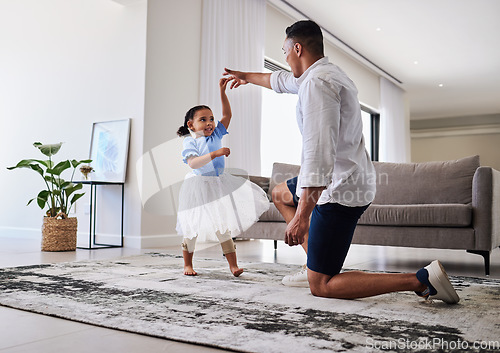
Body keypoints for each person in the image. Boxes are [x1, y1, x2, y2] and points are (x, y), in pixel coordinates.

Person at [224, 20, 459, 303]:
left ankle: (420, 280)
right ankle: (314, 262)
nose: (284, 58)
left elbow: (318, 153)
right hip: (345, 176)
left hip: (340, 189)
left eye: (285, 51)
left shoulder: (318, 84)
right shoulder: (323, 73)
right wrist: (246, 76)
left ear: (297, 48)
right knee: (279, 194)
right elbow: (281, 81)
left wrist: (301, 217)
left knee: (322, 285)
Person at [176, 78, 270, 277]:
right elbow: (193, 164)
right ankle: (187, 265)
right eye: (203, 119)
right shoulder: (189, 143)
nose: (209, 122)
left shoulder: (216, 134)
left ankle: (233, 266)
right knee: (191, 227)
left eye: (211, 118)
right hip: (198, 187)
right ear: (190, 125)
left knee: (223, 226)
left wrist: (222, 92)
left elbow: (227, 114)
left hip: (218, 184)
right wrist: (215, 154)